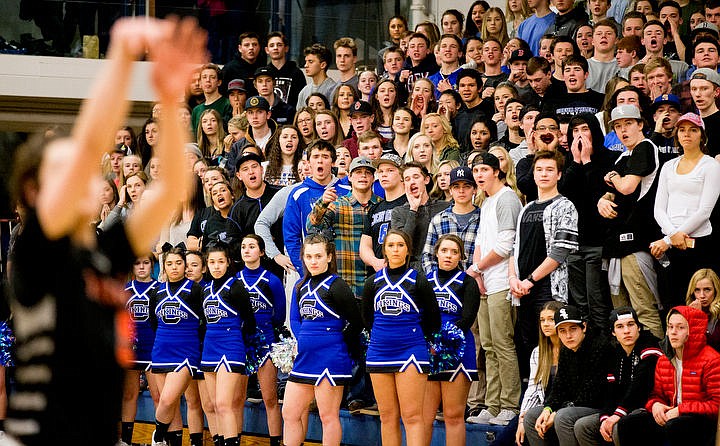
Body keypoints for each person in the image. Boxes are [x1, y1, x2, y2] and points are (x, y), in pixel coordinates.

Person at [9, 17, 200, 445]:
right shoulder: (36, 251)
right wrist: (121, 56)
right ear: (34, 190)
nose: (77, 175)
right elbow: (92, 142)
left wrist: (170, 97)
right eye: (62, 170)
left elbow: (170, 188)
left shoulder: (102, 252)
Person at [362, 229, 440, 446]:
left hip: (411, 352)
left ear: (408, 250)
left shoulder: (419, 281)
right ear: (384, 250)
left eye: (400, 245)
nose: (395, 250)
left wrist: (410, 336)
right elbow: (367, 319)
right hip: (379, 352)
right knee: (387, 417)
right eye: (391, 245)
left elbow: (433, 321)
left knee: (412, 416)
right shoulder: (372, 282)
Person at [283, 234, 363, 446]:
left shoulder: (337, 285)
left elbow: (357, 322)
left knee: (328, 416)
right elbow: (294, 318)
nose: (313, 261)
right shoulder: (300, 286)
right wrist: (303, 340)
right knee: (289, 412)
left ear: (329, 257)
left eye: (318, 256)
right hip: (305, 358)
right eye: (308, 256)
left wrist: (335, 340)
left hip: (330, 359)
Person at [509, 150, 579, 380]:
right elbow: (514, 248)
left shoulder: (565, 206)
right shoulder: (527, 208)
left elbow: (560, 252)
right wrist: (514, 280)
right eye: (539, 170)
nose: (544, 174)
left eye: (550, 170)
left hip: (548, 287)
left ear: (559, 174)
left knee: (552, 342)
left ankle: (555, 394)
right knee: (528, 343)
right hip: (522, 289)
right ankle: (532, 394)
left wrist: (530, 280)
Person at [466, 151, 523, 426]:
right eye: (475, 171)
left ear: (497, 171)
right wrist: (477, 275)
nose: (478, 175)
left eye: (483, 170)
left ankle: (510, 406)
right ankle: (493, 403)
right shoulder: (486, 202)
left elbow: (505, 245)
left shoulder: (507, 198)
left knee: (502, 344)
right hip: (486, 283)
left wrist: (477, 269)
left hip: (502, 282)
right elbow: (480, 242)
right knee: (488, 346)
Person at [598, 105, 664, 339]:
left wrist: (614, 178)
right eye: (617, 126)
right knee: (621, 316)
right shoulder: (623, 156)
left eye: (628, 124)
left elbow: (626, 187)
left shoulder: (645, 148)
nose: (622, 130)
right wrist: (602, 202)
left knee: (644, 310)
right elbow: (611, 193)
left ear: (640, 124)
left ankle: (656, 364)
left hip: (638, 241)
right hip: (617, 242)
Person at [615, 305, 720, 445]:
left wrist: (680, 410)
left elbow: (716, 405)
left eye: (680, 327)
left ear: (693, 331)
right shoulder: (664, 360)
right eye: (670, 327)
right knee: (629, 423)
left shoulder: (712, 360)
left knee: (675, 427)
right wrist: (655, 405)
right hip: (672, 416)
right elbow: (656, 395)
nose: (673, 332)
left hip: (700, 421)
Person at [652, 112, 720, 304]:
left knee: (699, 301)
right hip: (670, 243)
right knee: (671, 298)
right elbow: (659, 208)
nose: (686, 134)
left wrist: (671, 238)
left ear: (702, 135)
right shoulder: (668, 166)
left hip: (699, 243)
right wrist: (672, 237)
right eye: (682, 130)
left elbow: (705, 210)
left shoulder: (711, 166)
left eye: (693, 130)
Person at [522, 305, 615, 446]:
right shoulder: (566, 350)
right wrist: (548, 409)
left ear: (583, 327)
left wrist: (558, 410)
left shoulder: (600, 346)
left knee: (563, 417)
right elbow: (559, 387)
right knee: (532, 416)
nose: (568, 335)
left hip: (598, 406)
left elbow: (591, 394)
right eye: (562, 331)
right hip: (573, 406)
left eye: (573, 329)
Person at [573, 307, 662, 445]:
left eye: (631, 324)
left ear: (639, 327)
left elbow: (640, 387)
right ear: (613, 332)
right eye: (620, 326)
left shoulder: (650, 346)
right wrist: (605, 417)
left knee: (618, 426)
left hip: (648, 407)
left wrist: (617, 415)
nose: (626, 331)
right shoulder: (614, 353)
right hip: (624, 408)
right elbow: (610, 392)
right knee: (583, 426)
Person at [422, 235, 480, 445]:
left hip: (456, 349)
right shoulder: (425, 280)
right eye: (444, 250)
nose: (448, 255)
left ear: (461, 257)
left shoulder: (468, 282)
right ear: (436, 253)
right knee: (423, 416)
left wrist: (444, 342)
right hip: (428, 350)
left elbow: (467, 319)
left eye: (454, 252)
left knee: (453, 415)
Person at [564, 114, 618, 334]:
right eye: (575, 131)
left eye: (584, 129)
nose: (579, 136)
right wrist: (577, 162)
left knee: (597, 301)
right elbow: (566, 195)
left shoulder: (610, 159)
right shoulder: (568, 163)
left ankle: (602, 346)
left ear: (595, 132)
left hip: (598, 242)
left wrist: (587, 162)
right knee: (578, 305)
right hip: (574, 243)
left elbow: (598, 195)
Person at [201, 243, 256, 446]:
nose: (216, 266)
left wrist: (235, 337)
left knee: (224, 403)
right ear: (206, 264)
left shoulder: (236, 286)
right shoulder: (205, 289)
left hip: (231, 346)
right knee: (214, 404)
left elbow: (250, 322)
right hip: (209, 347)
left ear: (228, 263)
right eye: (212, 262)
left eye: (221, 262)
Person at [150, 246, 204, 446]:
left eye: (178, 263)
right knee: (170, 406)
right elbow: (152, 322)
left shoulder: (196, 290)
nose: (174, 268)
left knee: (166, 401)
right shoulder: (157, 291)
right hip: (161, 351)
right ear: (164, 266)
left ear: (185, 266)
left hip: (186, 353)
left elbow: (204, 323)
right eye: (169, 263)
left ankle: (157, 436)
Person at [236, 234, 285, 446]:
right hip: (240, 343)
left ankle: (275, 441)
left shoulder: (272, 280)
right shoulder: (234, 280)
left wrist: (263, 331)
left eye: (252, 246)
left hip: (265, 342)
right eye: (244, 246)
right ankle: (233, 439)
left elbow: (280, 315)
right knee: (237, 400)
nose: (247, 250)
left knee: (270, 399)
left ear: (262, 252)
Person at [121, 255, 160, 446]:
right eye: (137, 263)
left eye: (146, 263)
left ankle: (159, 438)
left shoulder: (159, 289)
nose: (142, 267)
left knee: (158, 396)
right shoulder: (125, 289)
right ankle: (126, 440)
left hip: (153, 348)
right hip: (131, 350)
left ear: (152, 265)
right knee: (129, 395)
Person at [515, 301, 564, 446]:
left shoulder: (570, 348)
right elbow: (533, 388)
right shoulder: (538, 352)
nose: (546, 324)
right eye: (542, 320)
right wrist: (521, 420)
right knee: (510, 437)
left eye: (551, 319)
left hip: (562, 408)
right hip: (542, 406)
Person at [422, 166, 481, 274]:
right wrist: (437, 280)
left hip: (477, 283)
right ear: (450, 190)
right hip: (445, 286)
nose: (461, 191)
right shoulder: (438, 220)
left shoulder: (483, 218)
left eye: (467, 186)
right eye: (456, 187)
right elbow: (428, 255)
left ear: (475, 190)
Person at [392, 162, 449, 271]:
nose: (412, 182)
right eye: (407, 179)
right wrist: (413, 210)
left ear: (426, 180)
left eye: (416, 177)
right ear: (404, 185)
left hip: (440, 269)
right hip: (410, 272)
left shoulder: (444, 207)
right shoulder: (398, 212)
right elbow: (402, 245)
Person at [265, 31, 307, 107]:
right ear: (267, 50)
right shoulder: (264, 73)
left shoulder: (296, 73)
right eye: (271, 45)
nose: (275, 48)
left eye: (279, 45)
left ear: (286, 48)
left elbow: (303, 99)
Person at [192, 63, 233, 136]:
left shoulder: (227, 104)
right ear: (201, 82)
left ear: (219, 82)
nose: (208, 80)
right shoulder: (196, 110)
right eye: (204, 77)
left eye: (212, 77)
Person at [686, 268, 720, 352]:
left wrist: (698, 319)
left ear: (716, 290)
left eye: (707, 289)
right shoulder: (685, 314)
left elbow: (712, 346)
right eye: (697, 290)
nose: (702, 295)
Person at [689, 68, 720, 158]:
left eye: (704, 89)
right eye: (694, 89)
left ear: (716, 92)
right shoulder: (688, 123)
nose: (698, 94)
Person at [296, 43, 337, 111]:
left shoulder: (333, 89)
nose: (306, 65)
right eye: (306, 62)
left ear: (323, 65)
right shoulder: (304, 91)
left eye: (310, 62)